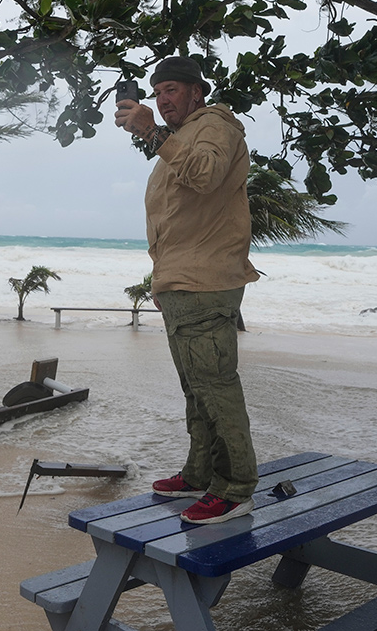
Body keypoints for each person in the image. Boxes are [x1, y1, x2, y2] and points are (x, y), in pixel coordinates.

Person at [114, 55, 260, 525]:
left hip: (206, 283)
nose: (162, 99)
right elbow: (176, 218)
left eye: (172, 90)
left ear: (197, 92)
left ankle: (236, 489)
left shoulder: (215, 124)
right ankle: (200, 473)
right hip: (181, 282)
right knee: (196, 390)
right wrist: (163, 281)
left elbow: (205, 176)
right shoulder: (180, 138)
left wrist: (152, 132)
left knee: (216, 388)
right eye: (158, 92)